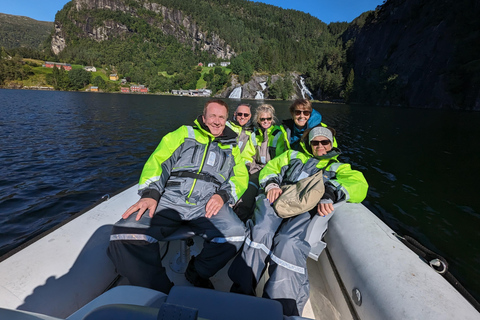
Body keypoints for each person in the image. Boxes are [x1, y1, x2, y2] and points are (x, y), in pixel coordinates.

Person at [107, 99, 248, 293]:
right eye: (213, 116)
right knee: (125, 233)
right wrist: (151, 194)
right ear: (204, 117)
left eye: (221, 117)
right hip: (170, 198)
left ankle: (198, 271)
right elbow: (158, 161)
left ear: (226, 120)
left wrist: (223, 195)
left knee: (236, 234)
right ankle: (159, 291)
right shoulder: (184, 134)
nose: (217, 121)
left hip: (208, 202)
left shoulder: (232, 147)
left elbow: (240, 176)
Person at [228, 125, 368, 316]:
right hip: (278, 198)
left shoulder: (338, 167)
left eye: (324, 142)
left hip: (306, 208)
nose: (320, 145)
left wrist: (330, 193)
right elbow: (270, 168)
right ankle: (241, 292)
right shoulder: (292, 155)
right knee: (260, 231)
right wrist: (271, 184)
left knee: (288, 242)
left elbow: (358, 184)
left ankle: (281, 307)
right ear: (309, 144)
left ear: (331, 143)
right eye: (315, 142)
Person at [233, 104, 286, 221]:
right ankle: (239, 218)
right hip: (255, 170)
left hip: (271, 172)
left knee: (262, 196)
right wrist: (247, 169)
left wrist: (268, 172)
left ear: (272, 120)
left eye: (269, 119)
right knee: (247, 192)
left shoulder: (278, 134)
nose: (266, 121)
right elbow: (248, 155)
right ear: (258, 120)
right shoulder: (254, 135)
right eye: (263, 119)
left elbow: (280, 159)